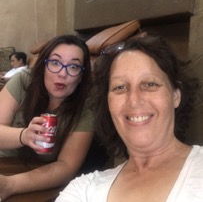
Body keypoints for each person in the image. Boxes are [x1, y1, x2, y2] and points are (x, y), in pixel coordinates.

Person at [55, 34, 203, 202]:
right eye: (120, 87)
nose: (133, 100)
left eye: (150, 84)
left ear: (176, 96)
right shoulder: (85, 190)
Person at [0, 34, 94, 201]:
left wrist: (10, 185)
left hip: (37, 180)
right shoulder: (23, 81)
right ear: (44, 66)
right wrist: (24, 135)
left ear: (81, 76)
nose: (62, 74)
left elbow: (67, 167)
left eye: (73, 67)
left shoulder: (85, 111)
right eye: (55, 63)